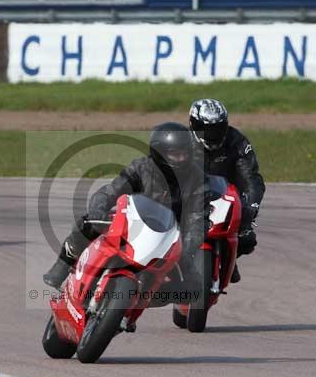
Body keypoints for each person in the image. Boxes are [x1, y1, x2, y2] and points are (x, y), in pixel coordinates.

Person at [43, 122, 209, 293]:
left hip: (167, 236)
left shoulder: (198, 179)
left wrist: (187, 249)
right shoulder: (141, 168)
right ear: (160, 154)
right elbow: (110, 192)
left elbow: (198, 220)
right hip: (131, 223)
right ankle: (63, 265)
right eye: (176, 155)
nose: (182, 159)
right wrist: (98, 208)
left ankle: (132, 309)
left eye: (185, 154)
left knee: (193, 288)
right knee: (87, 223)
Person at [188, 98, 265, 283]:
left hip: (226, 197)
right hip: (189, 197)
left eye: (218, 128)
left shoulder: (236, 141)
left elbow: (251, 178)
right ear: (193, 125)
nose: (213, 134)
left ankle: (226, 259)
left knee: (247, 240)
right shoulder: (181, 143)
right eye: (207, 129)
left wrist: (251, 205)